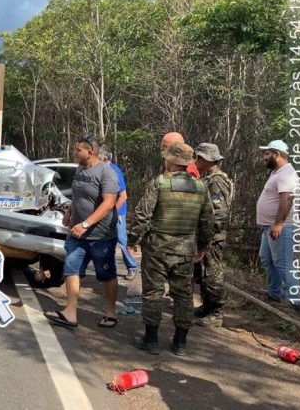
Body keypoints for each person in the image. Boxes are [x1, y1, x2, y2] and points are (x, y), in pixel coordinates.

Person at [129, 143, 214, 356]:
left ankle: (151, 339)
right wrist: (202, 246)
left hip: (157, 247)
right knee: (184, 295)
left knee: (153, 293)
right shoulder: (201, 188)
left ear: (173, 161)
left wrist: (133, 238)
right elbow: (207, 222)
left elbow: (143, 215)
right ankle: (180, 343)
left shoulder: (159, 183)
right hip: (185, 250)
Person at [44, 135, 119, 329]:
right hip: (78, 234)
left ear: (90, 152)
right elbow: (78, 196)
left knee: (107, 274)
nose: (75, 153)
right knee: (71, 267)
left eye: (78, 150)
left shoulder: (106, 173)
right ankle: (70, 312)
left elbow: (109, 203)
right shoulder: (80, 169)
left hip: (101, 236)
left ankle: (111, 313)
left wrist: (86, 224)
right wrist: (69, 212)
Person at [256, 139, 300, 311]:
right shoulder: (277, 172)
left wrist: (278, 224)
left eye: (267, 154)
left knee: (283, 263)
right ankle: (274, 293)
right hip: (269, 227)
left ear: (277, 154)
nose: (264, 157)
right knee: (267, 259)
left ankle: (295, 301)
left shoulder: (286, 174)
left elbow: (287, 199)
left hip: (281, 227)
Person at [193, 143, 234, 327]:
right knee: (202, 272)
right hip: (203, 234)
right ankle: (207, 306)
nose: (195, 160)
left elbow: (219, 213)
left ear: (206, 159)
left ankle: (216, 312)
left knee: (213, 273)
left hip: (213, 237)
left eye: (198, 157)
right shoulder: (207, 178)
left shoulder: (217, 181)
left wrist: (208, 235)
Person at [98, 146, 139, 280]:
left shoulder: (115, 171)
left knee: (121, 241)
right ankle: (109, 268)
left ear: (105, 159)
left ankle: (132, 267)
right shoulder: (99, 170)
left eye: (99, 159)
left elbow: (123, 196)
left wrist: (113, 211)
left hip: (117, 212)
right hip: (104, 211)